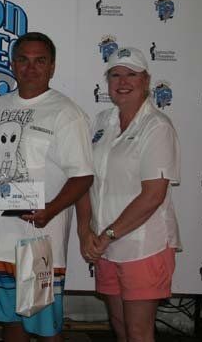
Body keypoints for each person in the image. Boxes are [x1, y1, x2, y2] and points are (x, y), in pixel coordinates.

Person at [0, 32, 93, 342]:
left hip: (39, 240)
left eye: (40, 61)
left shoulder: (66, 112)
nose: (31, 68)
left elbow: (82, 176)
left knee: (45, 327)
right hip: (1, 239)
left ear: (52, 67)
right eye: (23, 60)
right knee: (11, 323)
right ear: (12, 64)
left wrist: (50, 210)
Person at [76, 47, 181, 342]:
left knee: (138, 332)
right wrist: (86, 233)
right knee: (120, 327)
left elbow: (153, 196)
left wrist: (107, 234)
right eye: (115, 75)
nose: (122, 81)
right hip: (104, 245)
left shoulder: (157, 126)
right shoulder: (100, 122)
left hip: (143, 246)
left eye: (131, 74)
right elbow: (85, 181)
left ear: (146, 80)